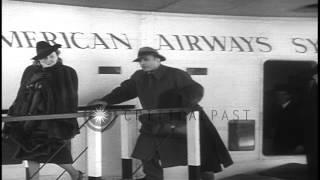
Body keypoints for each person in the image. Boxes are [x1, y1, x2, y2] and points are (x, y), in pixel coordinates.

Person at [89, 47, 233, 180]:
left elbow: (196, 90)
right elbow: (124, 91)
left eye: (146, 59)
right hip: (154, 122)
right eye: (140, 60)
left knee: (202, 155)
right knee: (146, 151)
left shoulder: (176, 74)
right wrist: (106, 101)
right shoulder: (139, 77)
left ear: (158, 59)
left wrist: (178, 104)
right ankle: (153, 178)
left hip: (186, 121)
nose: (142, 63)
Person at [3, 41, 83, 180]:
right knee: (28, 152)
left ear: (57, 55)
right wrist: (14, 114)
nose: (49, 60)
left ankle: (74, 174)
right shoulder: (30, 71)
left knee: (56, 151)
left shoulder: (66, 72)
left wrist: (63, 119)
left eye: (51, 56)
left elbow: (69, 97)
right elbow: (21, 94)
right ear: (38, 59)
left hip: (52, 121)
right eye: (44, 57)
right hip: (29, 119)